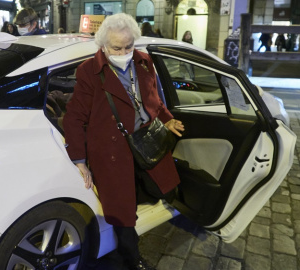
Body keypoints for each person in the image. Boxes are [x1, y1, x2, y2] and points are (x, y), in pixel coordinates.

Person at [63, 13, 183, 270]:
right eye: (117, 47)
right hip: (111, 152)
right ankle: (131, 258)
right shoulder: (89, 71)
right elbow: (74, 118)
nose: (124, 52)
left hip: (145, 142)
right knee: (123, 214)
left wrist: (167, 119)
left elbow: (154, 99)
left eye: (128, 46)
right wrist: (80, 160)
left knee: (160, 187)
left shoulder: (143, 62)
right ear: (103, 45)